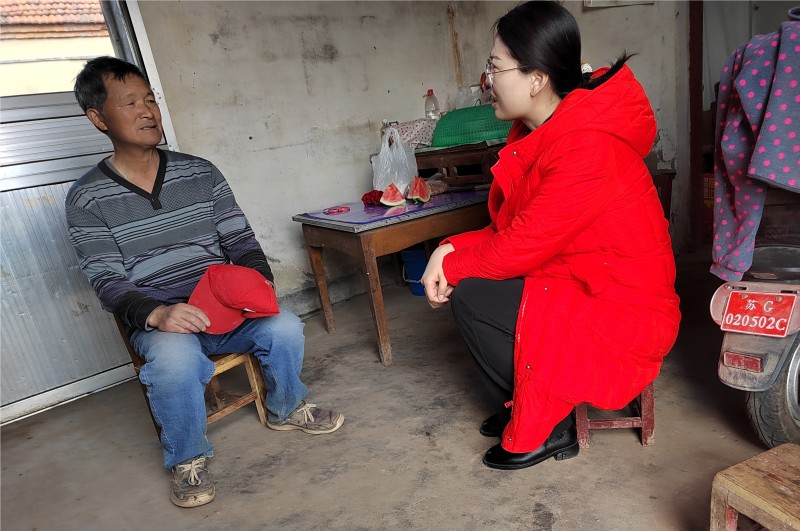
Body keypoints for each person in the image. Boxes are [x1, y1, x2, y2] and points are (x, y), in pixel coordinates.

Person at [66, 56, 344, 507]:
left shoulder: (199, 172)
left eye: (150, 100)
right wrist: (158, 314)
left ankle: (286, 407)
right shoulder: (87, 198)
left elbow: (241, 240)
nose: (147, 111)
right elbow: (106, 279)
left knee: (285, 326)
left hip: (226, 308)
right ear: (98, 118)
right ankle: (187, 457)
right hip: (165, 322)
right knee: (174, 364)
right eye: (130, 103)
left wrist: (257, 284)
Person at [421, 1, 680, 470]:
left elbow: (521, 245)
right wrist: (448, 248)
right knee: (474, 283)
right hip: (577, 277)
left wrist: (452, 265)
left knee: (472, 296)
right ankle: (525, 403)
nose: (487, 81)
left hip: (618, 305)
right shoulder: (542, 131)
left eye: (495, 67)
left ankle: (552, 425)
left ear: (536, 78)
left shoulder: (585, 146)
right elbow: (514, 228)